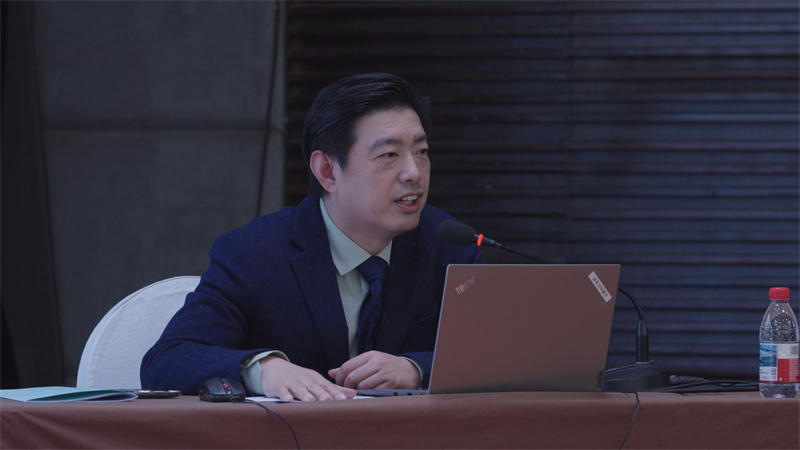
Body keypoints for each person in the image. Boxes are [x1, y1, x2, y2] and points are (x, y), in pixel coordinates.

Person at [141, 73, 484, 401]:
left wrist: (417, 369)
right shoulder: (255, 252)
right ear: (327, 171)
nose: (413, 173)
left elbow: (494, 352)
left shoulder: (451, 244)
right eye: (389, 155)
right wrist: (262, 369)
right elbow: (168, 358)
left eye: (421, 152)